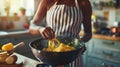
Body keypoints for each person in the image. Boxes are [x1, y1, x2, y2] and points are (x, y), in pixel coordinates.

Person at [29, 0, 92, 67]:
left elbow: (88, 33)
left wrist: (80, 43)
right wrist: (40, 29)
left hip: (73, 55)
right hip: (50, 55)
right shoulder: (47, 1)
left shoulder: (83, 3)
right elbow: (32, 26)